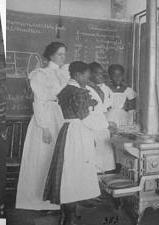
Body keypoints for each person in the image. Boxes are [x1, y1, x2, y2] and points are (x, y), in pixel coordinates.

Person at [44, 61, 105, 225]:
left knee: (68, 174)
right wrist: (106, 124)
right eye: (86, 74)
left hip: (68, 131)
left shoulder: (65, 90)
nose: (89, 77)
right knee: (74, 175)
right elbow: (85, 117)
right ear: (78, 75)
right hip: (77, 134)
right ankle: (69, 219)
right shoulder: (78, 91)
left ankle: (66, 215)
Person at [16, 42, 69, 211]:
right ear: (51, 55)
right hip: (45, 118)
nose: (63, 57)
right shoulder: (41, 74)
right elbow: (38, 102)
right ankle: (38, 200)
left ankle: (55, 199)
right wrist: (44, 127)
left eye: (64, 54)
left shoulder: (64, 73)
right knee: (43, 157)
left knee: (57, 157)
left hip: (59, 116)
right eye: (60, 54)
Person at [87, 62, 116, 173]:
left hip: (103, 122)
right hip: (92, 124)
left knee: (104, 153)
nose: (101, 76)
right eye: (97, 74)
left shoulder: (105, 88)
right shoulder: (86, 89)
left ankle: (103, 177)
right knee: (95, 154)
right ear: (89, 74)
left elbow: (108, 105)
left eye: (102, 73)